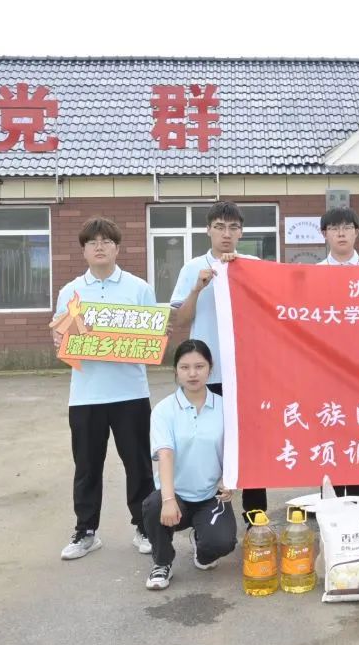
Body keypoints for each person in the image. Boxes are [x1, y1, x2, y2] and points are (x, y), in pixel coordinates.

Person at [50, 217, 158, 561]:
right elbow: (61, 340)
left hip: (131, 393)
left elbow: (153, 337)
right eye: (92, 242)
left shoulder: (139, 288)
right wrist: (61, 342)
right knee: (86, 466)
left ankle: (145, 526)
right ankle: (86, 531)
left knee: (139, 465)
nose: (99, 247)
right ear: (83, 250)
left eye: (106, 241)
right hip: (86, 395)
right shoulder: (70, 292)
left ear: (117, 247)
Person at [169, 200, 265, 521]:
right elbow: (181, 321)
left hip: (247, 373)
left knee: (251, 447)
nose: (226, 234)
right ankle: (213, 517)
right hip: (207, 374)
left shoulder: (253, 266)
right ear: (208, 230)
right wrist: (198, 288)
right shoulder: (192, 268)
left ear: (241, 233)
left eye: (233, 228)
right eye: (220, 227)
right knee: (210, 444)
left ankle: (255, 518)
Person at [142, 340, 239, 590]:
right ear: (176, 370)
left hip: (211, 495)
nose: (192, 373)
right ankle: (162, 562)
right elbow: (165, 454)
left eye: (199, 366)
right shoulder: (164, 410)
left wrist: (229, 479)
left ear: (210, 368)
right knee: (153, 506)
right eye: (185, 367)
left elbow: (234, 450)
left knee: (222, 543)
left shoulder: (225, 407)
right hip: (176, 496)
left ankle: (202, 546)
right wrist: (168, 499)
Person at [318, 206, 359, 497]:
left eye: (347, 228)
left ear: (357, 232)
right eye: (334, 228)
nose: (341, 233)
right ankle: (330, 508)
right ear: (324, 234)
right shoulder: (311, 274)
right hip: (325, 371)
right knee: (329, 433)